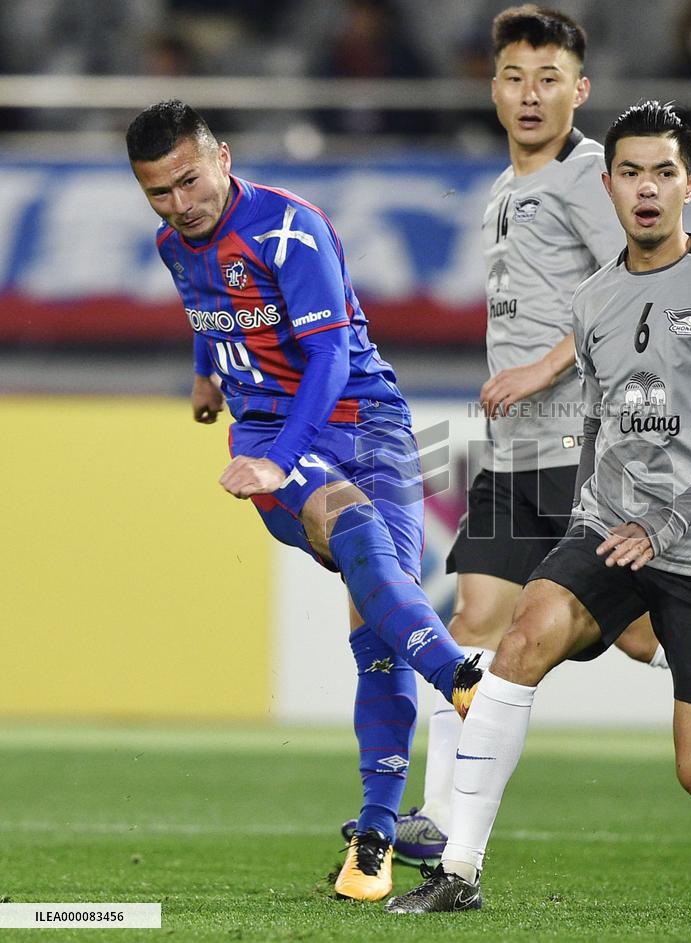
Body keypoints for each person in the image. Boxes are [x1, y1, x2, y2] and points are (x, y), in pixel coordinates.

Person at [342, 4, 691, 870]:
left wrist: (540, 371)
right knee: (480, 621)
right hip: (516, 452)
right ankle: (441, 818)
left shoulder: (595, 175)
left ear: (579, 91)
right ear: (492, 87)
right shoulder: (505, 189)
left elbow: (622, 292)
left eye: (548, 79)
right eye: (515, 78)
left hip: (575, 448)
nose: (530, 95)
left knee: (635, 635)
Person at [125, 100, 481, 903]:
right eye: (159, 193)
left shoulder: (291, 229)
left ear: (222, 157)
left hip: (369, 423)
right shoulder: (173, 243)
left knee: (377, 621)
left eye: (189, 181)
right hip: (264, 430)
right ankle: (461, 677)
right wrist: (207, 375)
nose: (180, 204)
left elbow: (328, 358)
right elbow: (207, 303)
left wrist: (280, 461)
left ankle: (376, 838)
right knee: (349, 527)